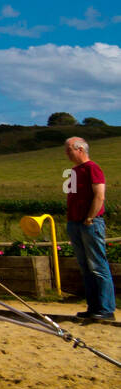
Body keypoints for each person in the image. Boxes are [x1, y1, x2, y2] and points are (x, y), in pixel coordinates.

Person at [64, 137, 115, 321]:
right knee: (85, 267)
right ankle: (93, 306)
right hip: (75, 222)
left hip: (89, 222)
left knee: (97, 265)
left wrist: (90, 218)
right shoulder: (75, 171)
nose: (67, 153)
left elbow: (99, 195)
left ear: (80, 149)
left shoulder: (92, 168)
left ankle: (106, 308)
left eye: (69, 149)